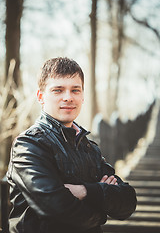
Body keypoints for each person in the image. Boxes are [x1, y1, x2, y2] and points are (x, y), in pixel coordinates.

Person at [7, 57, 137, 233]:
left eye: (75, 90)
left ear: (83, 96)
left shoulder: (89, 147)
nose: (68, 97)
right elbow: (56, 207)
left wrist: (85, 191)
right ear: (40, 96)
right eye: (58, 90)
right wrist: (101, 213)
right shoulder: (28, 145)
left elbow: (128, 201)